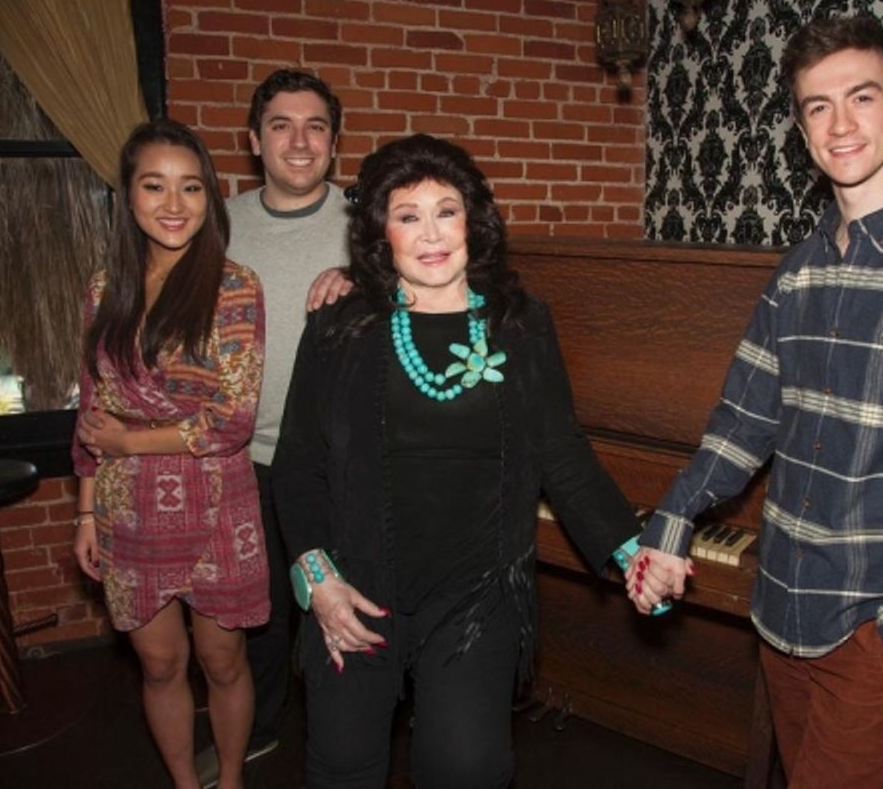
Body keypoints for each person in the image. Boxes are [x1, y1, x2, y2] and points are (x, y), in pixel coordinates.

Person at [628, 15, 883, 787]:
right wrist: (671, 519)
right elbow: (743, 421)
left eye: (862, 97)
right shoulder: (798, 271)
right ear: (801, 124)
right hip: (781, 601)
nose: (841, 125)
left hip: (874, 621)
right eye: (818, 106)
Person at [272, 133, 640, 788]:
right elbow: (299, 468)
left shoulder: (521, 324)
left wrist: (632, 553)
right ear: (381, 232)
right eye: (408, 216)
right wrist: (318, 581)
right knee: (342, 765)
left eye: (447, 210)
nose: (431, 232)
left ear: (475, 220)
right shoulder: (340, 327)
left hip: (476, 600)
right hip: (353, 590)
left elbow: (564, 454)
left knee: (468, 769)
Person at [71, 118, 267, 789]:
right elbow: (90, 410)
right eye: (155, 186)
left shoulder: (235, 286)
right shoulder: (105, 289)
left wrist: (130, 439)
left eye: (191, 188)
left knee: (224, 662)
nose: (174, 204)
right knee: (159, 665)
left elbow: (232, 419)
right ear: (127, 195)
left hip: (217, 501)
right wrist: (86, 512)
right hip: (128, 511)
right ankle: (186, 783)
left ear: (210, 198)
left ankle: (232, 778)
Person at [199, 68, 351, 782]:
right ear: (253, 139)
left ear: (334, 143)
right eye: (282, 125)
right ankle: (257, 728)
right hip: (242, 456)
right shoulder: (215, 222)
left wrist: (369, 290)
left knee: (335, 593)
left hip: (337, 458)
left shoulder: (370, 222)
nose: (299, 140)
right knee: (256, 607)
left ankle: (344, 733)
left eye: (315, 125)